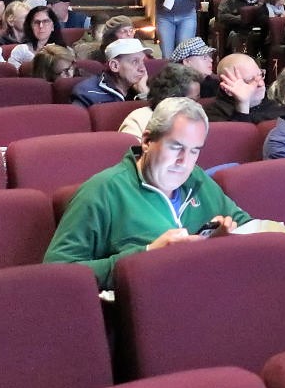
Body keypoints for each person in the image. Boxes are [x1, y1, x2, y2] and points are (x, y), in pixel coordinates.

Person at [44, 98, 251, 289]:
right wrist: (148, 255)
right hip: (144, 311)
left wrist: (227, 238)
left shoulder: (197, 179)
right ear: (147, 141)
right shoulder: (103, 191)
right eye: (176, 147)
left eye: (194, 151)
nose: (184, 161)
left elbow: (248, 226)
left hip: (208, 295)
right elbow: (57, 274)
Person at [71, 38, 150, 107]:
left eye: (142, 61)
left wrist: (144, 94)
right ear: (114, 66)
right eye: (135, 62)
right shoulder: (87, 93)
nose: (142, 69)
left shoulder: (147, 87)